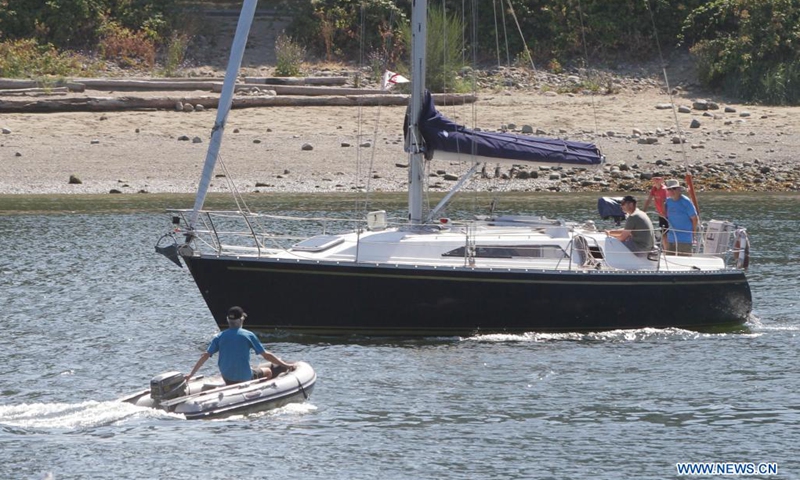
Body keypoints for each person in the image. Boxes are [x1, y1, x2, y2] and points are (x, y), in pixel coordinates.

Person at [186, 306, 295, 385]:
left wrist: (191, 374)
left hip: (227, 378)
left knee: (254, 367)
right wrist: (285, 365)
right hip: (244, 377)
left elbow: (205, 356)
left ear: (228, 320)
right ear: (241, 319)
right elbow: (266, 355)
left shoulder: (219, 336)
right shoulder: (248, 335)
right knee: (268, 371)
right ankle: (258, 393)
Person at [663, 179, 698, 256]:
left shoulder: (686, 202)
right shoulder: (667, 202)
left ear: (679, 189)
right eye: (669, 189)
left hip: (684, 239)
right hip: (671, 238)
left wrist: (693, 234)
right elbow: (664, 217)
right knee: (669, 262)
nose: (672, 191)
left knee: (684, 262)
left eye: (674, 188)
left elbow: (694, 219)